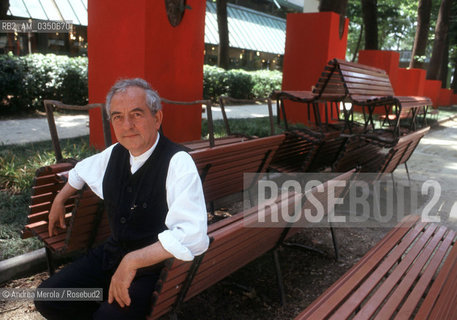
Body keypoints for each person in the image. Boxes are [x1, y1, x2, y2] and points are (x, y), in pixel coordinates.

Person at [34, 78, 209, 319]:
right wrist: (59, 199)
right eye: (118, 117)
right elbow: (80, 171)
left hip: (153, 270)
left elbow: (193, 235)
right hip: (110, 257)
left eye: (136, 114)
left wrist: (133, 260)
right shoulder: (114, 153)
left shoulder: (178, 162)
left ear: (157, 118)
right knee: (49, 297)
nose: (127, 125)